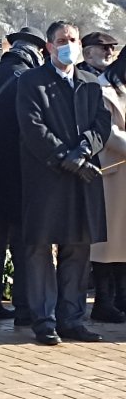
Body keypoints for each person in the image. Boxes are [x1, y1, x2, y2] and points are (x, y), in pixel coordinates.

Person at [18, 21, 112, 346]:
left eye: (72, 39)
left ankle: (72, 318)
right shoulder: (31, 81)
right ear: (48, 46)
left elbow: (102, 122)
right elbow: (32, 126)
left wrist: (84, 150)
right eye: (61, 40)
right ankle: (44, 320)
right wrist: (63, 157)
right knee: (41, 248)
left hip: (82, 177)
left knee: (78, 246)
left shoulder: (90, 82)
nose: (68, 45)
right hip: (46, 177)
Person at [0, 27, 47, 325]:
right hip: (22, 174)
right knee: (23, 245)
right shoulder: (32, 81)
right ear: (36, 52)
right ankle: (25, 307)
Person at [92, 55, 126, 322]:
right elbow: (108, 132)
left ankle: (121, 298)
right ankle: (103, 301)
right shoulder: (102, 89)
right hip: (112, 172)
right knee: (107, 243)